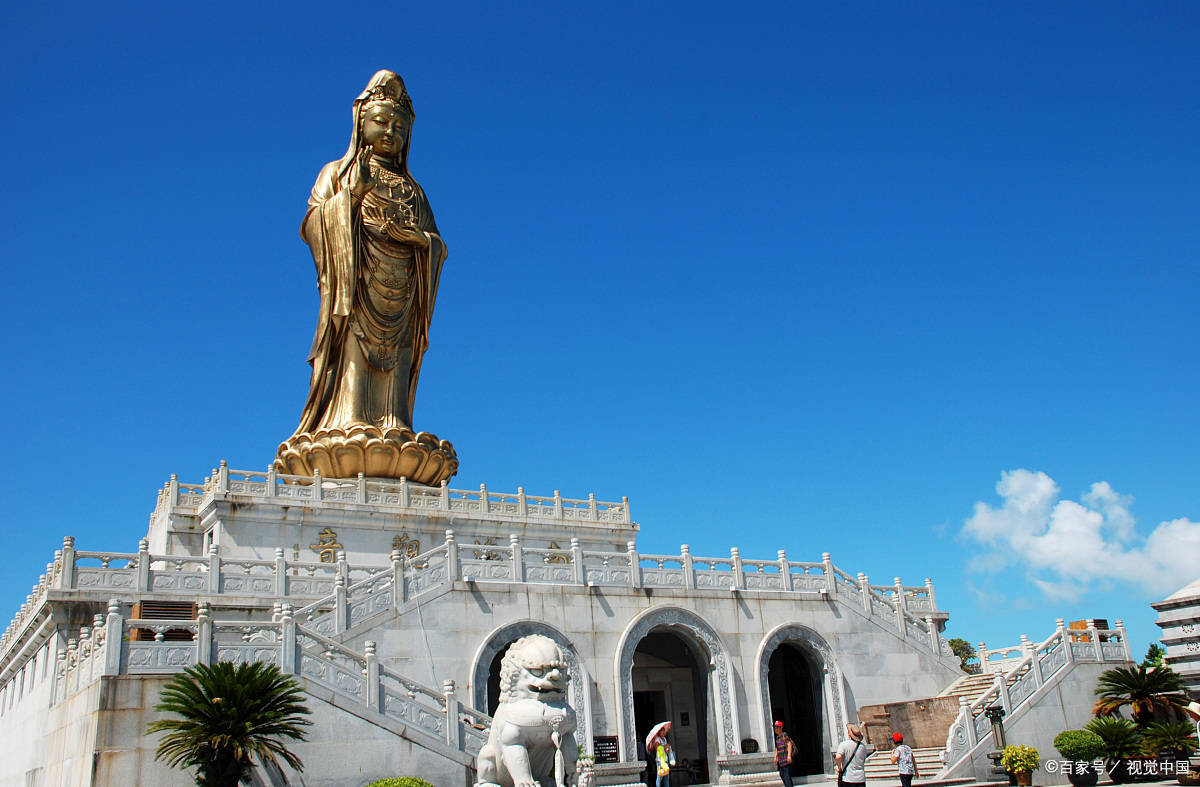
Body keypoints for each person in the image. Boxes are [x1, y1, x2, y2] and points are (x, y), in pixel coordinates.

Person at [280, 70, 449, 465]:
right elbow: (311, 223)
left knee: (400, 353)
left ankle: (395, 422)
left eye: (399, 126)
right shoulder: (337, 173)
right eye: (381, 122)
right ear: (361, 121)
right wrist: (351, 199)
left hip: (405, 287)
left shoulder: (413, 191)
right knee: (354, 345)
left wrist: (417, 241)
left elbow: (437, 244)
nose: (390, 132)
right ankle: (348, 419)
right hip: (355, 281)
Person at [835, 723, 868, 787]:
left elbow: (838, 757)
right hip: (860, 778)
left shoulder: (844, 744)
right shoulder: (863, 746)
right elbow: (864, 759)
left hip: (848, 778)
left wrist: (840, 768)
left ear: (849, 734)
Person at [645, 721, 675, 787]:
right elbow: (657, 748)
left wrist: (667, 749)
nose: (663, 733)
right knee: (660, 776)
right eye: (662, 731)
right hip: (660, 761)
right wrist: (665, 746)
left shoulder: (664, 739)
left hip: (666, 760)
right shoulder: (657, 739)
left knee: (666, 778)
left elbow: (665, 749)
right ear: (659, 732)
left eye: (664, 731)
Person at [773, 720, 797, 787]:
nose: (776, 729)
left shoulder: (784, 735)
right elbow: (777, 748)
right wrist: (775, 757)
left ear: (781, 728)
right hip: (781, 761)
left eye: (777, 727)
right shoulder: (777, 738)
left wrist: (789, 756)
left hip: (786, 759)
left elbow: (789, 744)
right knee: (782, 775)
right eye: (775, 728)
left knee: (786, 776)